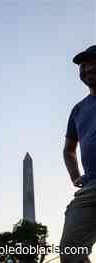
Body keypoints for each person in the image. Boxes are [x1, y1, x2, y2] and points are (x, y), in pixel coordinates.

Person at [60, 45, 96, 263]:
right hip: (92, 187)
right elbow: (68, 149)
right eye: (83, 65)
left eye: (93, 62)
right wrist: (75, 176)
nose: (87, 68)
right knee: (71, 250)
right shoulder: (78, 109)